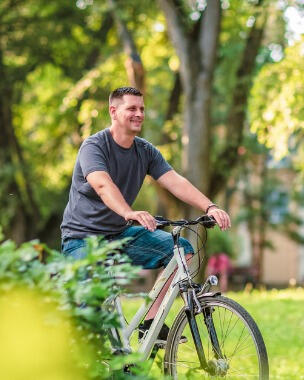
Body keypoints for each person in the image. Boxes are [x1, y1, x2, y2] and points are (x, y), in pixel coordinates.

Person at [60, 86, 231, 341]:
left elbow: (175, 181)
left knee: (180, 250)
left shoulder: (146, 151)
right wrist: (129, 212)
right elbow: (102, 185)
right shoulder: (94, 146)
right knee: (88, 320)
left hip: (120, 234)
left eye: (141, 109)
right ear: (113, 111)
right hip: (83, 239)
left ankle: (150, 323)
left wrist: (210, 206)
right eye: (132, 108)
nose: (139, 113)